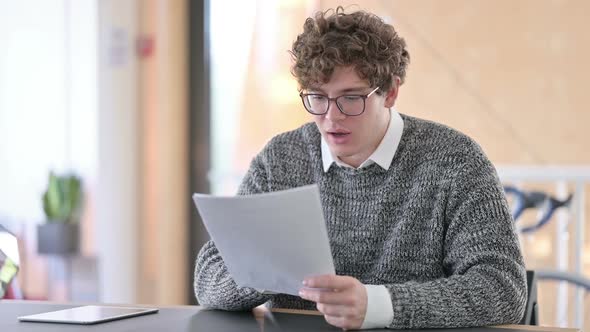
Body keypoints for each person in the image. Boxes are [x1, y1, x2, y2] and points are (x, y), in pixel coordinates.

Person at [194, 6, 526, 330]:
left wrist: (380, 305)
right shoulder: (280, 159)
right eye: (318, 97)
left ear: (391, 92)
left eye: (351, 98)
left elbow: (502, 288)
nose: (331, 117)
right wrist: (264, 271)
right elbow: (208, 278)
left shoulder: (455, 160)